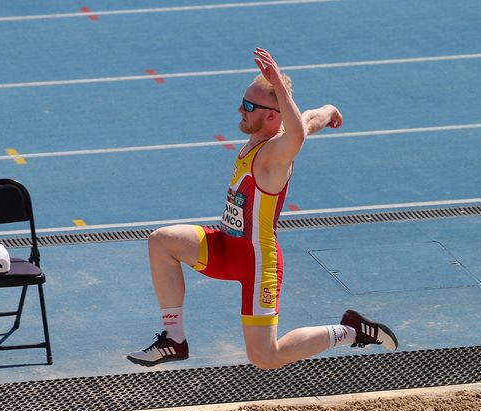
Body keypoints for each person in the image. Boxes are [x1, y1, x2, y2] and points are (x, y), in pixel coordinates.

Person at [127, 48, 397, 369]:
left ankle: (350, 331)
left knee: (265, 357)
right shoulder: (267, 133)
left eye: (249, 106)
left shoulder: (274, 156)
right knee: (161, 241)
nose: (240, 109)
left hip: (257, 263)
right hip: (227, 246)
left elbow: (298, 133)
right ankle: (174, 339)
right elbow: (308, 119)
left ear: (272, 114)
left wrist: (281, 88)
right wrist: (330, 110)